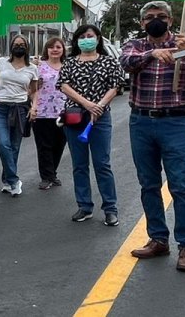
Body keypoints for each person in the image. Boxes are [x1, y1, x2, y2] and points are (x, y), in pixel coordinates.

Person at [121, 1, 185, 273]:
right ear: (142, 22)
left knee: (180, 184)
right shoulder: (134, 46)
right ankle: (158, 238)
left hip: (175, 121)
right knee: (148, 183)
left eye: (160, 17)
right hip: (141, 121)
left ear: (171, 20)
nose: (155, 20)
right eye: (149, 18)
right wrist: (153, 54)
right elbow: (126, 63)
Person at [59, 26, 124, 226]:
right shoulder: (69, 62)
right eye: (82, 37)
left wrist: (99, 106)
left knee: (102, 164)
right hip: (75, 117)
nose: (86, 40)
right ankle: (84, 206)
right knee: (79, 165)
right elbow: (64, 85)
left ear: (97, 39)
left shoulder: (109, 62)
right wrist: (87, 104)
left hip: (101, 117)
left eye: (90, 36)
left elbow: (116, 86)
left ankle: (110, 209)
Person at [0, 34, 39, 197]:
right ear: (11, 46)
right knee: (3, 143)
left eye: (22, 44)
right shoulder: (1, 62)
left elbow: (34, 91)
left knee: (14, 146)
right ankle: (15, 180)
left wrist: (34, 107)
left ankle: (7, 181)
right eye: (16, 44)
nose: (19, 46)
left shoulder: (32, 68)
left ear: (27, 47)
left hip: (20, 109)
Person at [31, 37, 68, 191]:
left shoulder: (68, 67)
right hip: (42, 112)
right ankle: (46, 176)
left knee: (59, 144)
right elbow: (32, 89)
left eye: (58, 47)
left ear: (63, 50)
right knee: (44, 145)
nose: (55, 50)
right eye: (51, 47)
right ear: (46, 50)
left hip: (64, 112)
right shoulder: (39, 67)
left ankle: (52, 173)